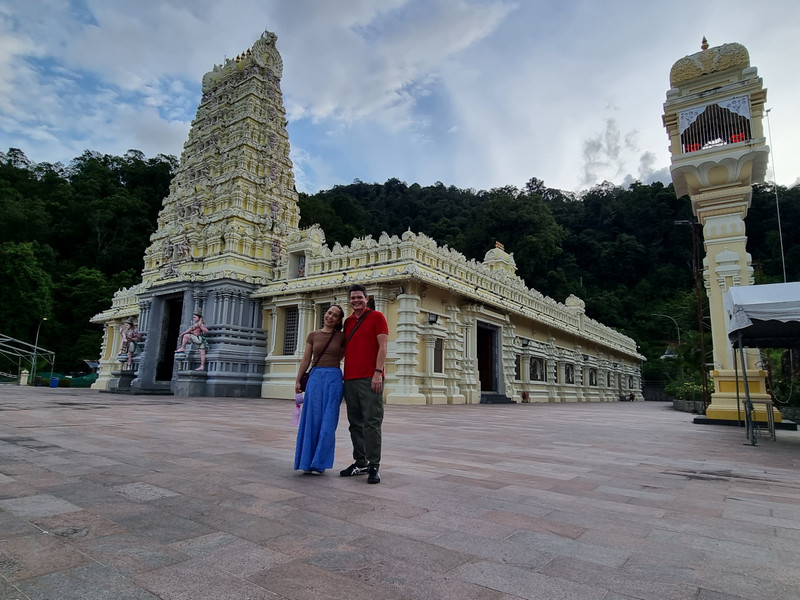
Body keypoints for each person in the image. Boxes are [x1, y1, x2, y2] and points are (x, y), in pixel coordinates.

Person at [339, 284, 389, 484]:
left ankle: (374, 465)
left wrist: (378, 373)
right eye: (353, 298)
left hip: (370, 377)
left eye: (359, 297)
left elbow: (383, 345)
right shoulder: (348, 322)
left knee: (372, 423)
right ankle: (360, 461)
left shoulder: (377, 317)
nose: (356, 301)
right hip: (350, 378)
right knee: (355, 423)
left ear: (366, 299)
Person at [293, 305, 346, 474]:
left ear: (338, 320)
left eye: (335, 315)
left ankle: (319, 463)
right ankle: (306, 461)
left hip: (334, 379)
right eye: (329, 313)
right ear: (325, 314)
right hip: (315, 378)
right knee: (311, 420)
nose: (330, 316)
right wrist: (298, 381)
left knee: (328, 423)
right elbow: (306, 359)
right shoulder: (313, 335)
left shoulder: (342, 337)